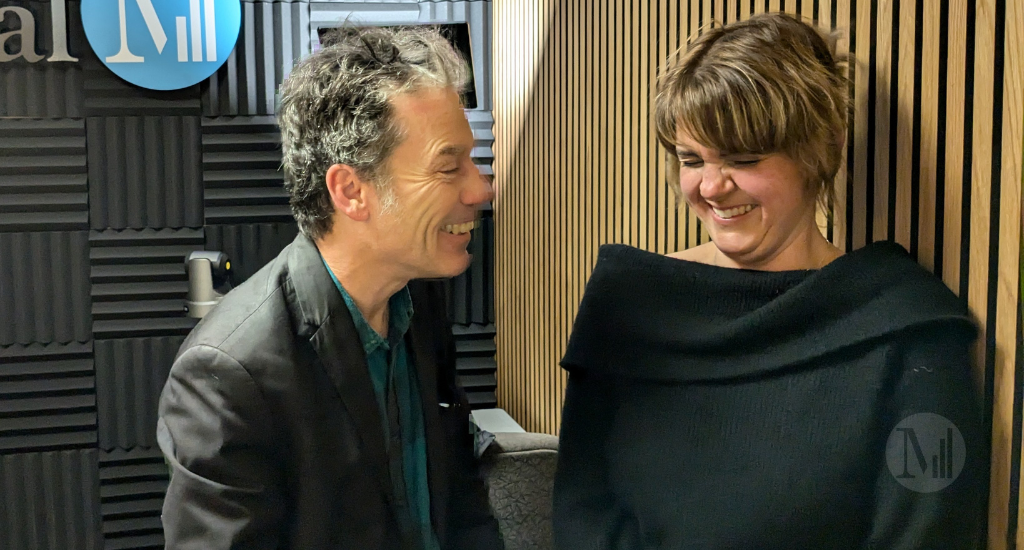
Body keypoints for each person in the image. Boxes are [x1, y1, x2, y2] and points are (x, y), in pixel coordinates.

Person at [553, 13, 985, 550]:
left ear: (819, 149)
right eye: (691, 159)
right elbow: (582, 510)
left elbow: (930, 531)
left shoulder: (908, 329)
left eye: (743, 158)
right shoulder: (627, 304)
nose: (710, 186)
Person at [157, 25, 503, 550]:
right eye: (449, 165)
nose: (481, 187)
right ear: (350, 190)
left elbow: (460, 495)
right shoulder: (226, 374)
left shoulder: (417, 299)